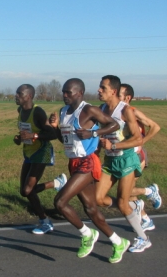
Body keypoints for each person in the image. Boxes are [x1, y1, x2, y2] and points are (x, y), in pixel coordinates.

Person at [50, 78, 130, 263]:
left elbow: (114, 124)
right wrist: (54, 128)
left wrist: (93, 133)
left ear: (79, 93)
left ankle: (87, 234)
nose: (64, 95)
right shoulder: (63, 112)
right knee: (91, 209)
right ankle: (118, 242)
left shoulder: (88, 110)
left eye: (68, 92)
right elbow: (65, 141)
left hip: (88, 162)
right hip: (74, 163)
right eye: (63, 91)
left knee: (60, 202)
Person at [95, 75, 151, 253]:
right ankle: (131, 206)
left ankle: (143, 238)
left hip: (126, 159)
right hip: (110, 160)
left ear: (113, 91)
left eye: (103, 88)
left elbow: (137, 138)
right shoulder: (101, 109)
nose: (99, 90)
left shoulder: (125, 111)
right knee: (99, 199)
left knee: (121, 204)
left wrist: (115, 145)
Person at [13, 84, 64, 234]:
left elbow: (52, 135)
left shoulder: (38, 112)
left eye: (19, 94)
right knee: (24, 191)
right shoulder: (20, 110)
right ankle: (56, 183)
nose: (16, 96)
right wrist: (18, 138)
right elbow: (25, 133)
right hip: (29, 151)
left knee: (28, 189)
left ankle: (45, 221)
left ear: (28, 96)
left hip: (42, 151)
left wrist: (34, 136)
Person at [119, 83, 161, 231]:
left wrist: (141, 142)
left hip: (137, 155)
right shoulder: (115, 112)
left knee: (126, 191)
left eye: (119, 94)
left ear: (127, 97)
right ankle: (145, 219)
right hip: (123, 156)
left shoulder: (132, 111)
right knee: (127, 192)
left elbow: (155, 127)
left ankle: (149, 191)